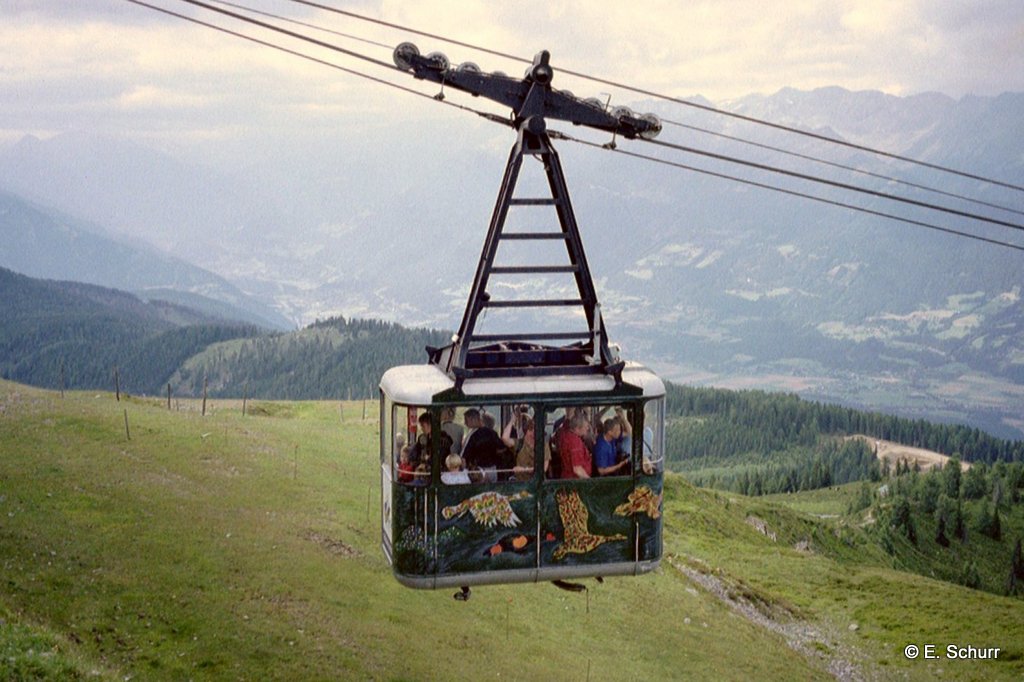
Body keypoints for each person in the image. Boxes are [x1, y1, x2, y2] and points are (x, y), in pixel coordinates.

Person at [462, 408, 506, 481]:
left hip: (477, 472)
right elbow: (502, 449)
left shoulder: (473, 435)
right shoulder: (492, 433)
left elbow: (464, 456)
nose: (465, 423)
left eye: (466, 420)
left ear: (473, 419)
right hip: (493, 469)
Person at [510, 417, 551, 481]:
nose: (533, 433)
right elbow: (504, 438)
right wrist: (511, 421)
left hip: (537, 484)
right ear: (526, 431)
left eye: (536, 431)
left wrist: (524, 470)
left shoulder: (544, 445)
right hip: (520, 483)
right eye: (530, 430)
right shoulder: (519, 443)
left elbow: (544, 468)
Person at [557, 414, 592, 479]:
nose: (588, 428)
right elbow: (577, 469)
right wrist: (590, 482)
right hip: (575, 481)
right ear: (577, 428)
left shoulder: (565, 435)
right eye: (586, 426)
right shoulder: (575, 443)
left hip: (566, 475)